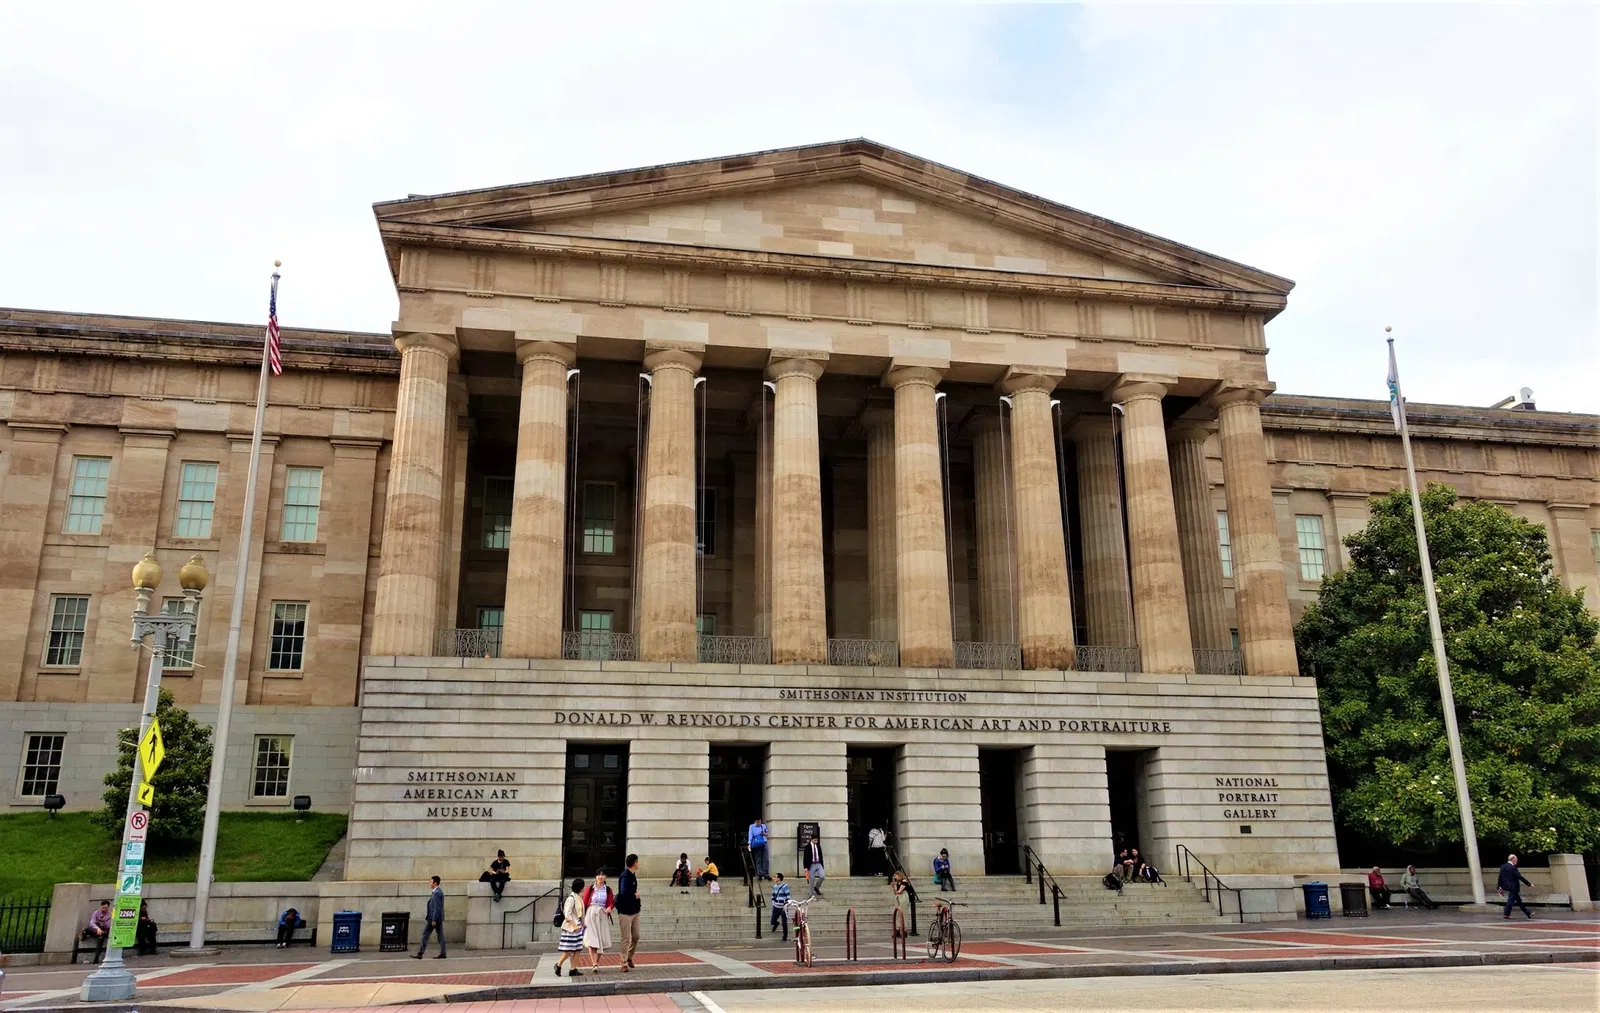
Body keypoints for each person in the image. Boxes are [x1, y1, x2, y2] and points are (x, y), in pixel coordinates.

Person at [581, 869, 616, 971]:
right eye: (598, 875)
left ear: (606, 877)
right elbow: (584, 902)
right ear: (595, 877)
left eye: (603, 875)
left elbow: (610, 903)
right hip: (591, 913)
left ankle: (597, 962)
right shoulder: (590, 889)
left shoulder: (608, 890)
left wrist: (610, 907)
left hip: (602, 914)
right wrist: (582, 918)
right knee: (592, 939)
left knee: (600, 940)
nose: (600, 877)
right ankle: (594, 964)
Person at [553, 878, 587, 977]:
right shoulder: (571, 898)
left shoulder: (579, 898)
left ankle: (573, 969)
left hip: (578, 927)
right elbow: (567, 914)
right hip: (571, 928)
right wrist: (574, 925)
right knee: (569, 949)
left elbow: (581, 913)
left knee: (577, 949)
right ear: (580, 887)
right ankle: (558, 965)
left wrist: (583, 923)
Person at [616, 854, 641, 972]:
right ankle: (623, 962)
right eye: (637, 862)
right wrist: (635, 895)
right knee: (626, 937)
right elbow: (623, 892)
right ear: (634, 863)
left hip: (635, 910)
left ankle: (630, 956)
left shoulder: (632, 875)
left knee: (636, 936)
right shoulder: (625, 876)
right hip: (625, 911)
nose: (638, 864)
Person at [412, 875, 446, 959]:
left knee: (425, 935)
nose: (429, 883)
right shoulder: (437, 892)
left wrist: (434, 919)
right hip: (436, 918)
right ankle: (443, 953)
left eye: (431, 882)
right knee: (440, 935)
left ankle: (420, 953)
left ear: (435, 883)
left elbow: (437, 908)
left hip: (433, 919)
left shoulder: (437, 893)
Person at [1498, 854, 1534, 920]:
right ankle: (1506, 914)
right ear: (1513, 859)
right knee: (1510, 901)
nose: (1516, 861)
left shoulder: (1503, 866)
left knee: (1519, 901)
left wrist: (1499, 886)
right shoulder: (1513, 868)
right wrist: (1529, 884)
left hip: (1507, 886)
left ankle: (1528, 913)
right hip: (1514, 887)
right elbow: (1519, 877)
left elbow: (1500, 877)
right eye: (1516, 860)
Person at [770, 872, 791, 941]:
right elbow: (773, 895)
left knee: (784, 922)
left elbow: (788, 896)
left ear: (779, 878)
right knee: (772, 921)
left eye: (775, 877)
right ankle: (776, 924)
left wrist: (786, 903)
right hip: (776, 907)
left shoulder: (785, 886)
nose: (774, 878)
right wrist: (773, 902)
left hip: (783, 907)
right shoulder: (774, 887)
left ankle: (785, 937)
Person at [805, 834, 825, 899]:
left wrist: (822, 865)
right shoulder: (807, 847)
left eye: (817, 840)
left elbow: (821, 856)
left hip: (819, 863)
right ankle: (811, 894)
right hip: (812, 864)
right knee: (812, 879)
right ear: (812, 839)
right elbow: (805, 858)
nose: (816, 841)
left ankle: (816, 887)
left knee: (822, 876)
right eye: (815, 840)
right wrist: (805, 868)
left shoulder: (818, 846)